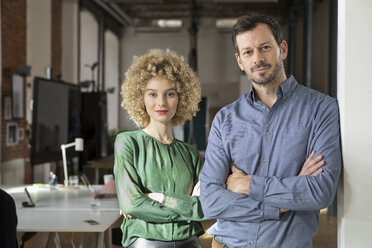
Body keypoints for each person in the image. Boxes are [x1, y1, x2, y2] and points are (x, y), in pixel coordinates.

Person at [200, 13, 342, 248]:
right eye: (248, 52)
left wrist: (249, 185)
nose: (257, 58)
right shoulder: (225, 119)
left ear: (282, 49)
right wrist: (289, 196)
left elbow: (321, 191)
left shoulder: (321, 109)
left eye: (265, 47)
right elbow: (211, 202)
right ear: (240, 61)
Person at [114, 49, 205, 248]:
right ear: (141, 98)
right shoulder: (128, 143)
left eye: (170, 94)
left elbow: (206, 206)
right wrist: (188, 208)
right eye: (152, 94)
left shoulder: (190, 153)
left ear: (181, 98)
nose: (161, 102)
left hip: (190, 243)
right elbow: (132, 204)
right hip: (146, 243)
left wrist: (162, 198)